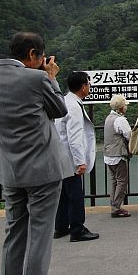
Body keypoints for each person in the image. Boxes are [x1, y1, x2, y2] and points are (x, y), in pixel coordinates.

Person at [0, 31, 67, 275]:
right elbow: (59, 109)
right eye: (41, 57)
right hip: (43, 170)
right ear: (32, 55)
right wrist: (51, 77)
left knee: (13, 234)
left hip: (11, 171)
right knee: (40, 235)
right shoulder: (37, 79)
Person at [53, 72, 100, 241]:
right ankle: (77, 230)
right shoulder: (73, 107)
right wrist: (80, 161)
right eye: (88, 84)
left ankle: (60, 227)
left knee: (64, 194)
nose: (89, 86)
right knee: (76, 195)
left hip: (61, 155)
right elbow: (74, 138)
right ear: (83, 86)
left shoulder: (65, 101)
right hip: (70, 158)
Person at [103, 94, 132, 218]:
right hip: (117, 155)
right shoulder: (120, 120)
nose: (126, 108)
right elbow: (128, 135)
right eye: (124, 106)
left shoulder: (108, 118)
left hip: (108, 155)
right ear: (120, 108)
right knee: (122, 181)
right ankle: (116, 208)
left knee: (114, 181)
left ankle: (113, 205)